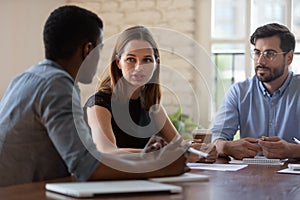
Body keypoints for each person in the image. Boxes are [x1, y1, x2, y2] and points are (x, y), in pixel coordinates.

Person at [0, 5, 189, 187]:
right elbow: (87, 167)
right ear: (87, 50)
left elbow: (89, 155)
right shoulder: (57, 85)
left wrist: (145, 158)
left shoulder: (26, 78)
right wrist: (159, 167)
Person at [85, 26, 217, 163]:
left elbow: (178, 145)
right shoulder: (98, 104)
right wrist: (166, 154)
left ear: (156, 64)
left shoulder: (153, 107)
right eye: (131, 59)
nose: (139, 67)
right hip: (106, 182)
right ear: (118, 62)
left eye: (147, 60)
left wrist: (199, 150)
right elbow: (107, 151)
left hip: (144, 179)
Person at [211, 23, 300, 160]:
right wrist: (227, 147)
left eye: (269, 54)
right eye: (257, 52)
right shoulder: (239, 92)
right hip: (249, 176)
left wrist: (291, 150)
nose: (260, 60)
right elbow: (215, 140)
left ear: (289, 58)